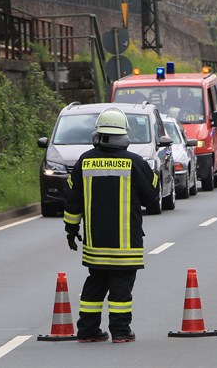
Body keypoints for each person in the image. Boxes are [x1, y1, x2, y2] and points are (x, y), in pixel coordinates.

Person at [63, 107, 159, 343]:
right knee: (121, 289)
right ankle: (121, 331)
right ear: (124, 135)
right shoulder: (135, 162)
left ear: (97, 135)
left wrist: (71, 229)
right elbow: (151, 197)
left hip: (95, 242)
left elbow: (72, 200)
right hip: (126, 244)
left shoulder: (84, 161)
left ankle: (87, 331)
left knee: (95, 285)